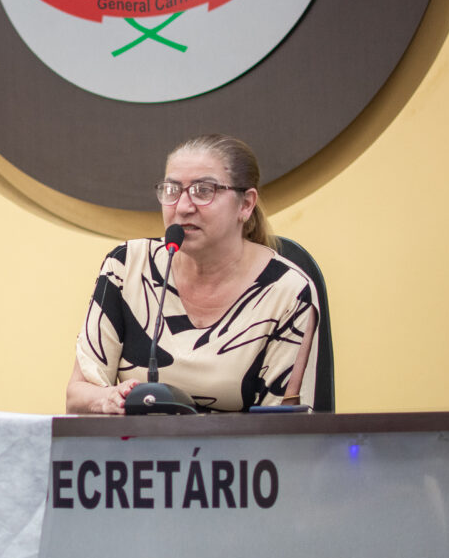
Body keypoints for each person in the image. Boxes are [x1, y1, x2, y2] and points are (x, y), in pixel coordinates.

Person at [66, 134, 319, 413]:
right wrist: (107, 399)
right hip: (135, 452)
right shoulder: (127, 267)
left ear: (246, 204)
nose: (183, 207)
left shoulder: (288, 292)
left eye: (203, 191)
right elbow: (77, 396)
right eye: (172, 191)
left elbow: (284, 429)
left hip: (237, 454)